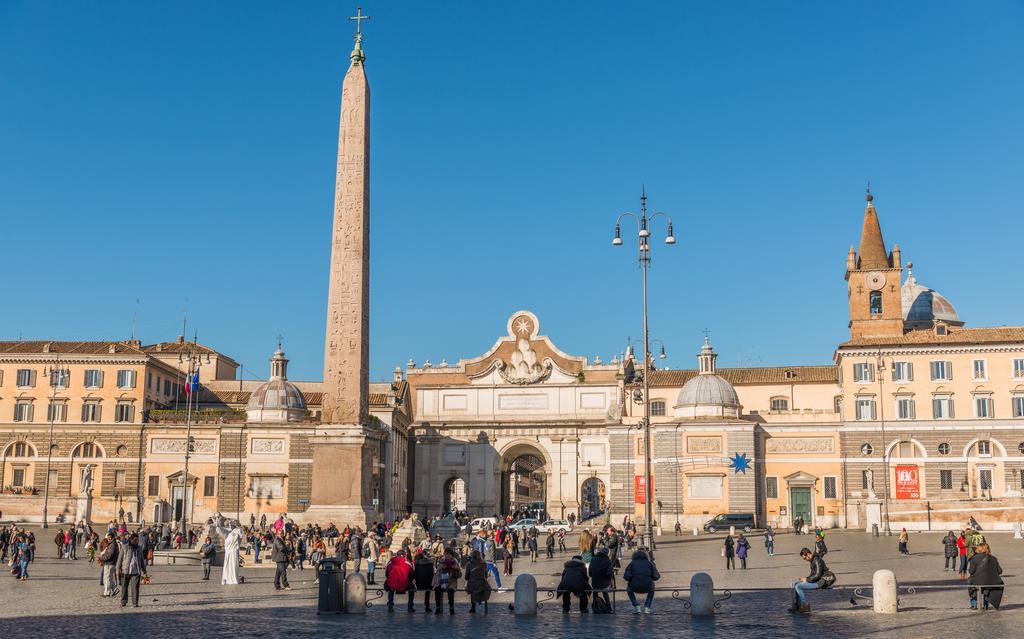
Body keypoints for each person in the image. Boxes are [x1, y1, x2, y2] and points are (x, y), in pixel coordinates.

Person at [789, 547, 834, 614]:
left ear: (807, 554)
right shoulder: (813, 560)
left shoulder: (817, 560)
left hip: (821, 582)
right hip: (817, 580)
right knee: (795, 583)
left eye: (804, 558)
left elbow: (818, 575)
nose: (805, 560)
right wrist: (804, 579)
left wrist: (806, 579)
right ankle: (797, 606)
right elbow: (812, 575)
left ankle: (805, 606)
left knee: (798, 586)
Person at [623, 549, 659, 614]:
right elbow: (656, 577)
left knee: (629, 589)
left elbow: (626, 577)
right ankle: (647, 607)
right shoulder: (650, 564)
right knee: (652, 587)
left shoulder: (632, 564)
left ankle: (636, 605)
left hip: (634, 586)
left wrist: (632, 579)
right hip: (647, 587)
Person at [968, 542, 1003, 610]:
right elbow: (1000, 571)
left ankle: (974, 604)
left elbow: (971, 571)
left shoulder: (975, 558)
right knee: (987, 586)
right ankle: (986, 604)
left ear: (978, 549)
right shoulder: (993, 558)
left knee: (971, 584)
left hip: (978, 581)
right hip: (990, 582)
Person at [117, 533, 147, 608]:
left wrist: (144, 570)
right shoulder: (125, 547)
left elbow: (141, 560)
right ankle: (123, 601)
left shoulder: (139, 548)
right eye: (135, 540)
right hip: (125, 570)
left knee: (135, 588)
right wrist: (118, 569)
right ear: (131, 539)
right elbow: (119, 559)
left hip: (136, 571)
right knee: (124, 587)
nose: (136, 541)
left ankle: (135, 602)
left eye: (137, 540)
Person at [432, 547, 461, 615]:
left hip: (451, 581)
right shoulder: (441, 561)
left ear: (451, 555)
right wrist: (442, 568)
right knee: (437, 590)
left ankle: (451, 608)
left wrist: (455, 570)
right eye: (445, 554)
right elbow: (437, 572)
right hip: (442, 581)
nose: (446, 555)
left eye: (448, 554)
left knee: (450, 592)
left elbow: (459, 575)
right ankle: (438, 607)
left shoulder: (455, 562)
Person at [588, 546, 614, 613]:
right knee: (605, 592)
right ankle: (609, 607)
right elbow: (609, 573)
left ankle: (595, 607)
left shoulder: (593, 559)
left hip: (595, 581)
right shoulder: (608, 561)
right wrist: (609, 580)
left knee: (595, 592)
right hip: (605, 582)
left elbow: (590, 572)